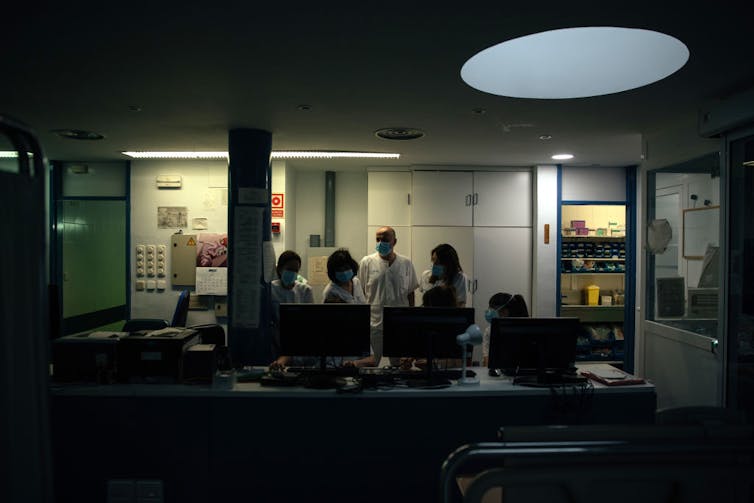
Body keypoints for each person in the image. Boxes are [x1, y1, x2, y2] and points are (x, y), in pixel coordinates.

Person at [358, 226, 419, 364]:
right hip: (374, 323)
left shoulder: (406, 263)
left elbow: (410, 293)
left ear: (394, 241)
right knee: (372, 362)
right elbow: (361, 292)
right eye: (377, 239)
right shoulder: (366, 262)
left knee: (400, 364)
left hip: (400, 323)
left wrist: (411, 320)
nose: (380, 242)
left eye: (385, 239)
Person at [269, 250, 313, 368]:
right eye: (289, 269)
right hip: (276, 340)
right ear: (280, 269)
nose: (292, 273)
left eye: (295, 271)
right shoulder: (271, 289)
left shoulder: (305, 290)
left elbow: (310, 320)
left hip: (299, 340)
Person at [482, 292, 530, 367]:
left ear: (505, 311)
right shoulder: (489, 330)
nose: (489, 311)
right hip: (499, 375)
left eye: (492, 308)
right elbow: (487, 362)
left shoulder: (526, 330)